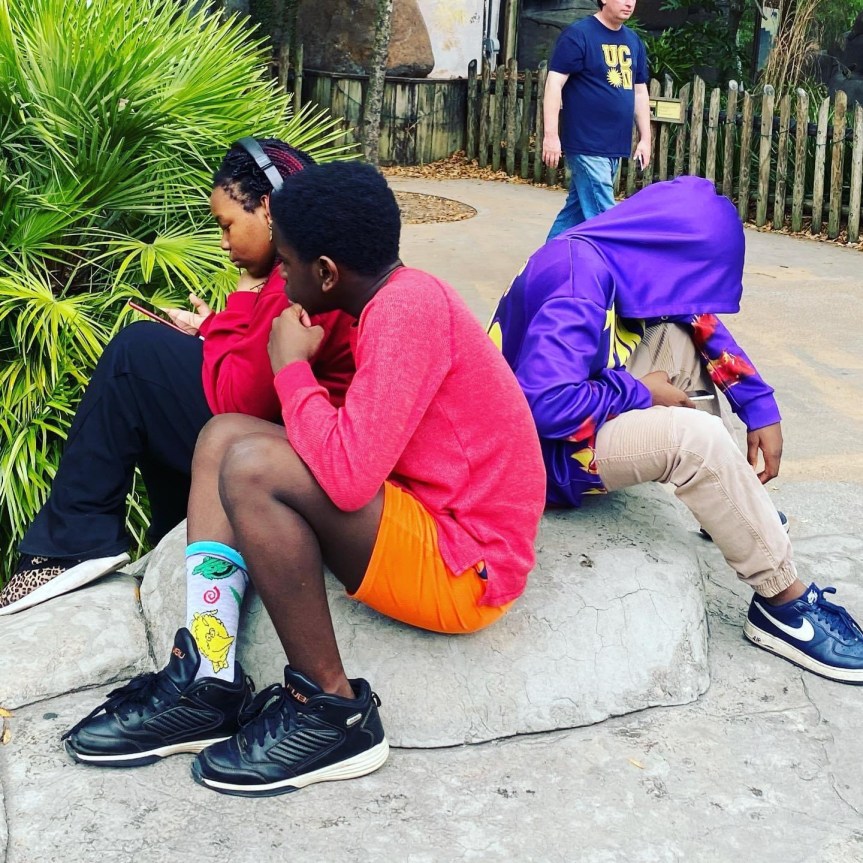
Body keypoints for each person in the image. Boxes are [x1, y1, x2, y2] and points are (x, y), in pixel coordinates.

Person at [61, 161, 547, 795]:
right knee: (223, 435)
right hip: (428, 513)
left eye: (286, 262)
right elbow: (352, 452)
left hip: (465, 564)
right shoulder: (394, 300)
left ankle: (333, 712)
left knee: (251, 467)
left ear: (325, 272)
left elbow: (346, 479)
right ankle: (208, 678)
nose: (279, 275)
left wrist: (290, 368)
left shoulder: (407, 313)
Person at [489, 175, 863, 684]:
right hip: (544, 459)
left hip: (571, 418)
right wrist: (641, 391)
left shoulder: (618, 250)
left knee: (678, 339)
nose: (694, 294)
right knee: (695, 438)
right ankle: (782, 604)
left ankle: (728, 506)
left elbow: (699, 324)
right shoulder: (578, 279)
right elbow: (543, 406)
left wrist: (760, 406)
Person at [0, 139, 355, 617]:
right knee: (157, 369)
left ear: (268, 208)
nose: (224, 243)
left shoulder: (300, 281)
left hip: (300, 457)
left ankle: (72, 544)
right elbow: (254, 364)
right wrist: (212, 329)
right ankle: (171, 534)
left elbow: (237, 403)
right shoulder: (310, 264)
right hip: (291, 436)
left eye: (228, 225)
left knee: (136, 354)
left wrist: (242, 297)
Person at [543, 0, 651, 240]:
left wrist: (646, 138)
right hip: (585, 143)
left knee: (576, 212)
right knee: (607, 218)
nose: (629, 2)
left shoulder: (633, 41)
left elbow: (640, 91)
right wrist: (551, 135)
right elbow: (554, 83)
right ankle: (625, 272)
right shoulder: (579, 35)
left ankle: (540, 267)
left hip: (614, 146)